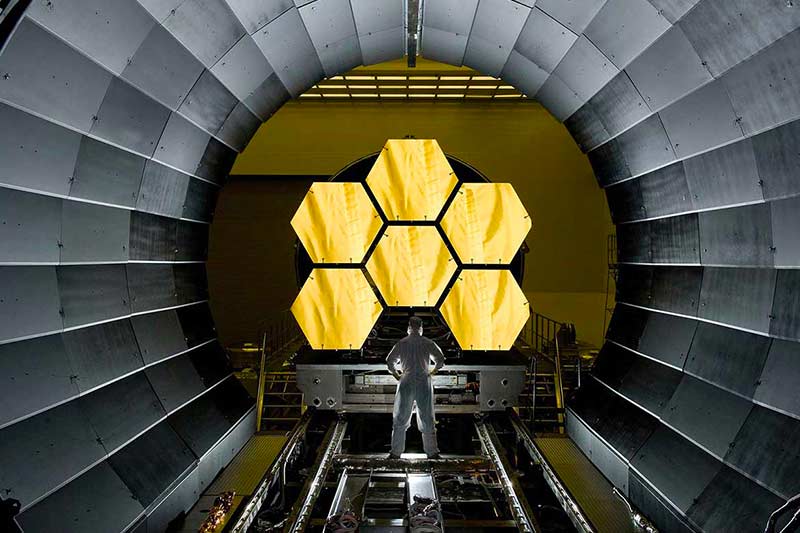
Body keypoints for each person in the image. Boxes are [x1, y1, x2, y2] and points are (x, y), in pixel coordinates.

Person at [386, 316, 445, 459]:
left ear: (409, 327)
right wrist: (432, 371)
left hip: (406, 380)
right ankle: (432, 452)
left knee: (400, 417)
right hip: (423, 381)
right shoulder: (427, 343)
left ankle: (395, 453)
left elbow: (389, 361)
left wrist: (396, 374)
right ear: (421, 327)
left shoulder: (402, 343)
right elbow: (440, 360)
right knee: (426, 417)